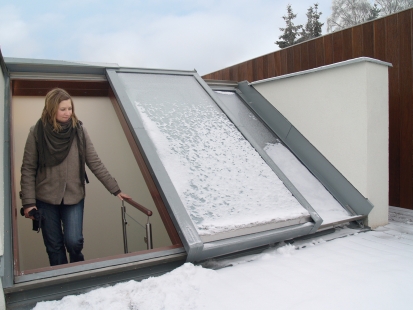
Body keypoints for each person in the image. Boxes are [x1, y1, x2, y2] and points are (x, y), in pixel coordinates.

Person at [20, 88, 130, 266]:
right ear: (51, 109)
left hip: (74, 195)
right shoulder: (36, 132)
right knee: (54, 247)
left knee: (74, 241)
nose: (68, 113)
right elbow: (28, 168)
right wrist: (29, 203)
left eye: (70, 108)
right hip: (45, 198)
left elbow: (94, 162)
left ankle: (78, 274)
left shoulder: (79, 130)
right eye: (63, 109)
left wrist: (115, 189)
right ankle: (63, 286)